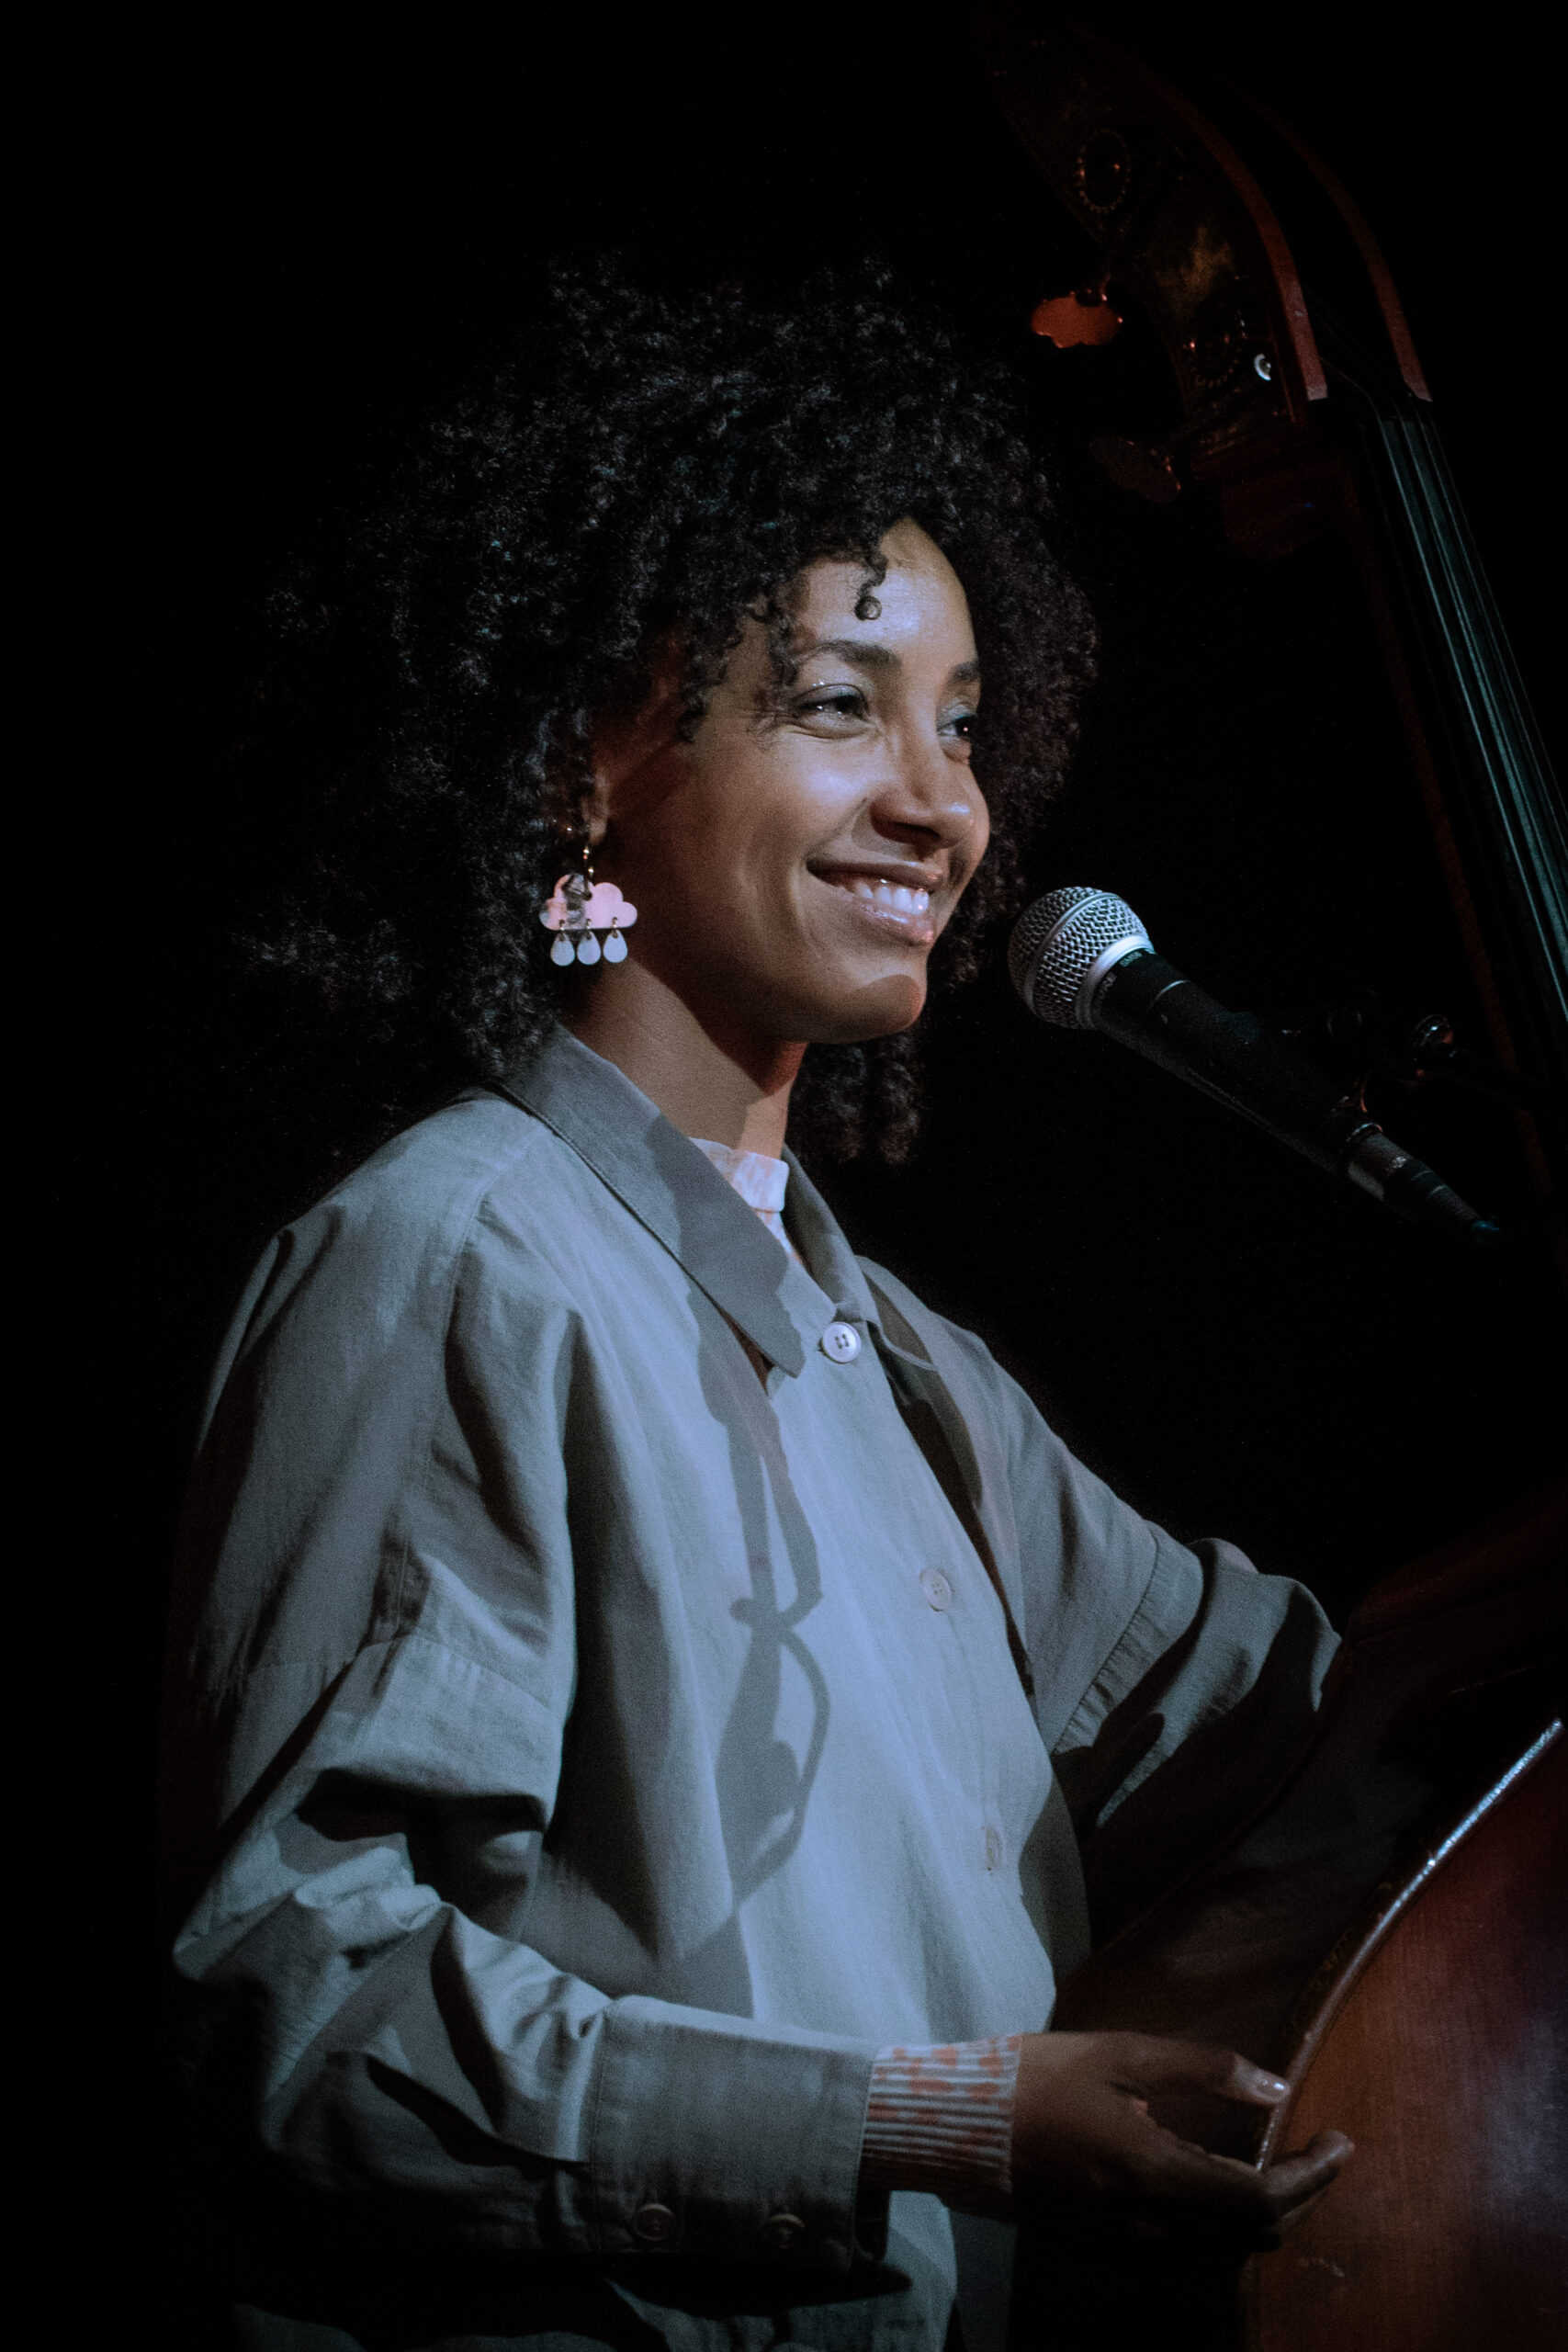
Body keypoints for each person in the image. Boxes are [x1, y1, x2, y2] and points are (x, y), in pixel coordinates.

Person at [161, 266, 1350, 2351]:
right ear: (574, 774)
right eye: (836, 704)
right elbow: (296, 2003)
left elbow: (1291, 1718)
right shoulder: (454, 1258)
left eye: (961, 721)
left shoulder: (898, 1363)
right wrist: (923, 2120)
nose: (942, 803)